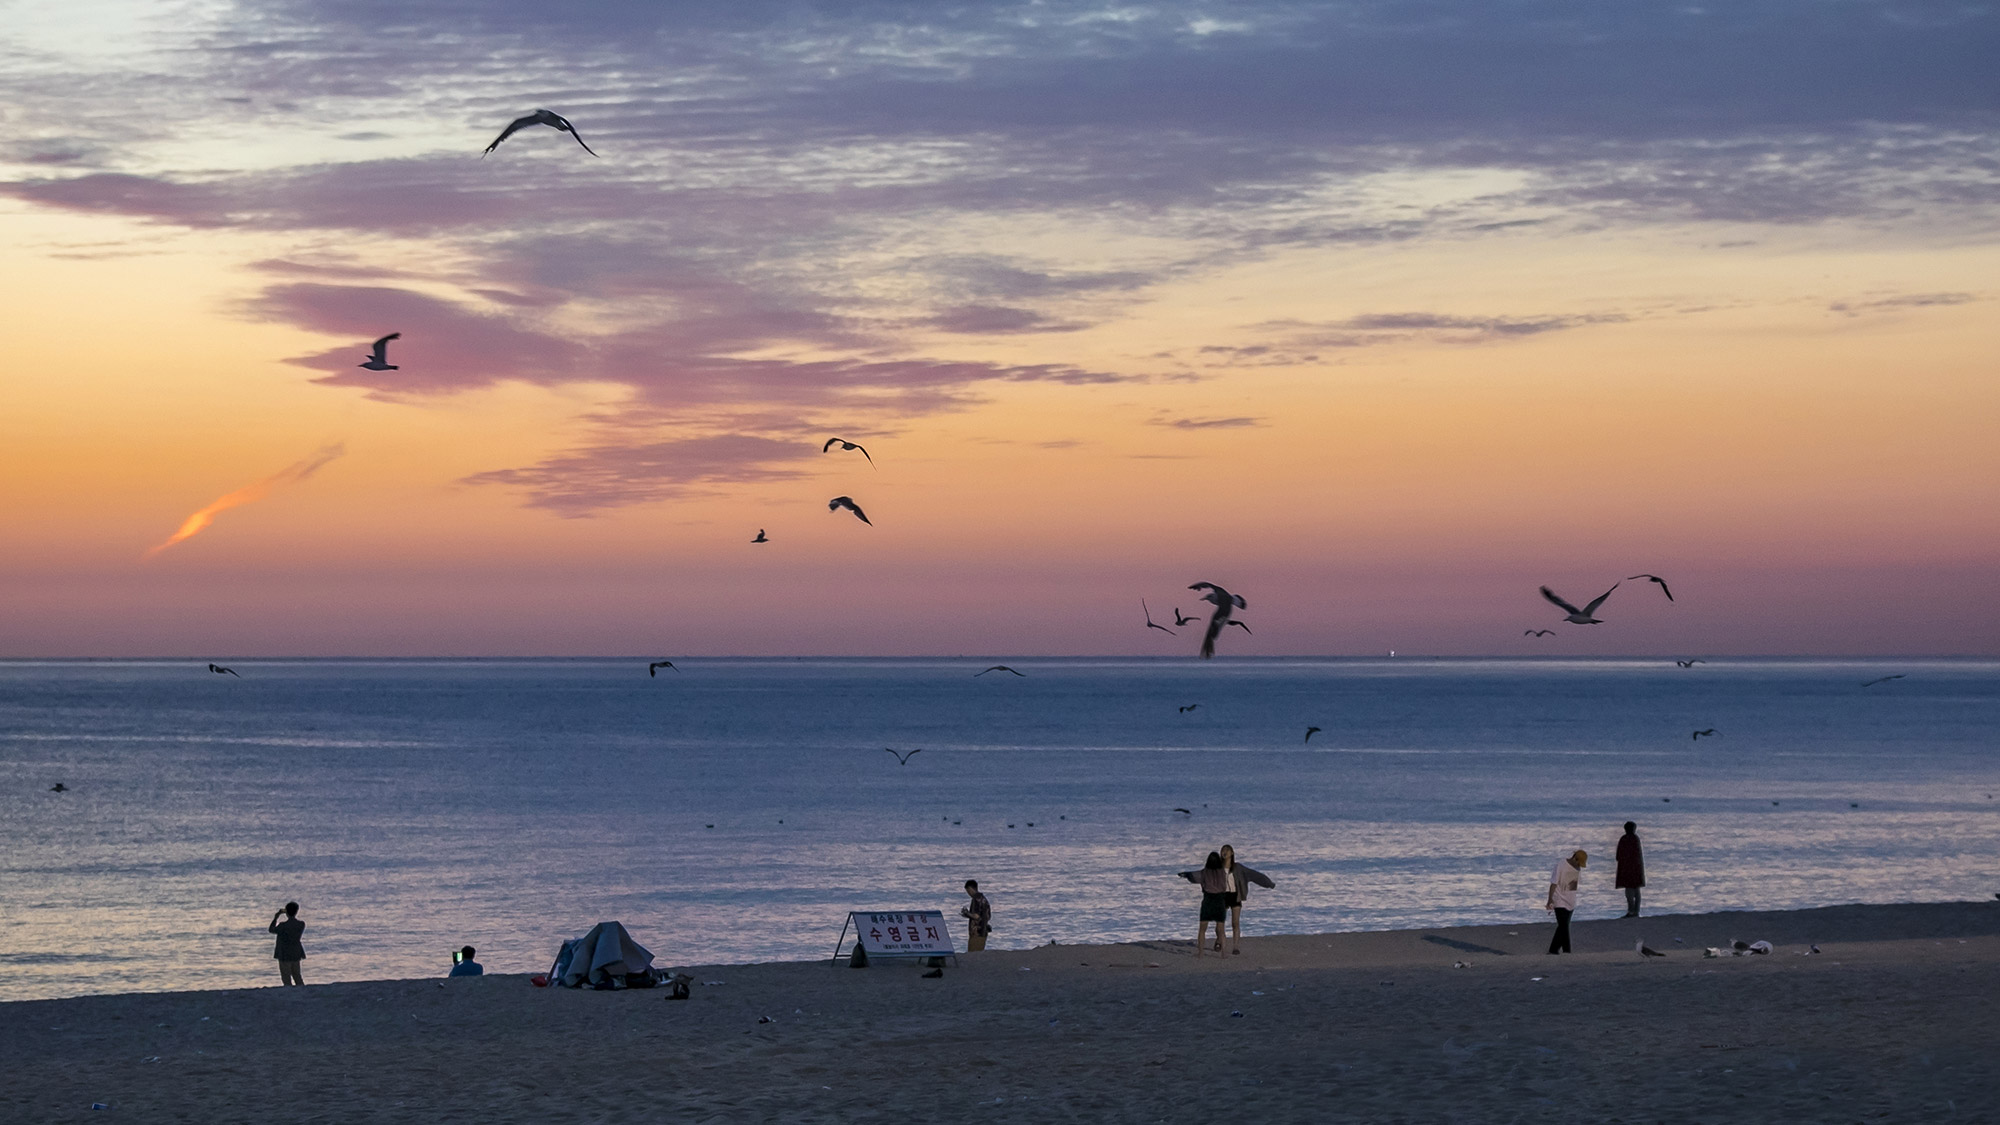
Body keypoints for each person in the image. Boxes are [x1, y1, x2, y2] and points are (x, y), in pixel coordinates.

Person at [1218, 844, 1275, 955]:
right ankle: (1221, 943)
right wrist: (1189, 875)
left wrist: (1269, 884)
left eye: (1227, 850)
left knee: (1235, 922)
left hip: (1235, 896)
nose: (1224, 852)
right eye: (1223, 850)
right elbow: (1204, 875)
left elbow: (1254, 875)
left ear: (1232, 853)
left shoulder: (1238, 868)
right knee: (1220, 924)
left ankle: (1235, 947)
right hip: (1222, 896)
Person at [1178, 852, 1232, 958]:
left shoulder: (1204, 873)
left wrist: (1185, 874)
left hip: (1208, 900)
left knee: (1202, 929)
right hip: (1220, 900)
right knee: (1221, 929)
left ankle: (1201, 953)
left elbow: (1193, 877)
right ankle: (1224, 953)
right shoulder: (1223, 873)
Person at [1545, 850, 1586, 954]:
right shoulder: (1561, 865)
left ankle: (1566, 951)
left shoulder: (1577, 868)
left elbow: (1572, 886)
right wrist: (1550, 899)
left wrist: (1572, 901)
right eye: (1578, 863)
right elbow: (1554, 883)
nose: (1579, 866)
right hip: (1559, 900)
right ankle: (1553, 950)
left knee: (1565, 926)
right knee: (1563, 926)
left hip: (1570, 902)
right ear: (1574, 858)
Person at [269, 902, 306, 986]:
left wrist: (276, 917)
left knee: (286, 977)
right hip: (296, 952)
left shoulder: (282, 926)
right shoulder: (301, 924)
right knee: (297, 976)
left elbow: (271, 929)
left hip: (284, 953)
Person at [1615, 822, 1645, 918]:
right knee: (1636, 890)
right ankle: (1635, 911)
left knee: (1629, 892)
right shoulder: (1635, 839)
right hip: (1636, 869)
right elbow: (1639, 855)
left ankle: (1632, 911)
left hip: (1626, 869)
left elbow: (1618, 856)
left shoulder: (1624, 839)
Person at [960, 880, 992, 952]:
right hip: (983, 930)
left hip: (976, 931)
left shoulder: (976, 899)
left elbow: (976, 916)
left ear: (970, 889)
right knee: (979, 951)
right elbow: (987, 916)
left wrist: (967, 913)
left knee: (973, 952)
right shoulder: (983, 899)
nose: (968, 893)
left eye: (968, 891)